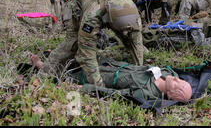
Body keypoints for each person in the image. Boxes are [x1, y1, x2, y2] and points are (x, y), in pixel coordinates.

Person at [30, 56, 192, 103]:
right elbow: (172, 73)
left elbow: (116, 94)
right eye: (180, 80)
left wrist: (87, 89)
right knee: (78, 58)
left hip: (101, 78)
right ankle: (51, 60)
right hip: (111, 64)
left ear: (170, 94)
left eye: (177, 83)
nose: (176, 79)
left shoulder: (145, 93)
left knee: (69, 75)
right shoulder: (168, 74)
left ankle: (42, 66)